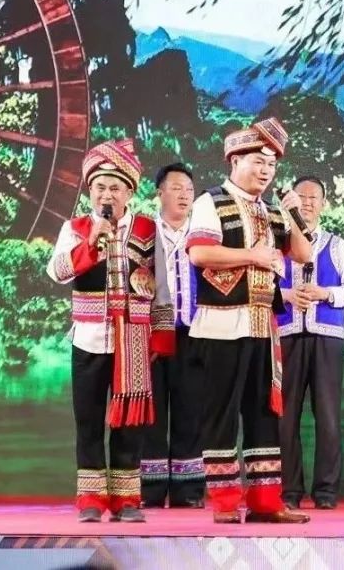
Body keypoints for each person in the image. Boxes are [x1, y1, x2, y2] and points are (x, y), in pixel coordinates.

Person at [186, 117, 313, 524]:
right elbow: (199, 253)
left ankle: (265, 501)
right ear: (234, 160)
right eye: (258, 161)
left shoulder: (272, 210)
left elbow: (304, 254)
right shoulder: (210, 202)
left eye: (272, 165)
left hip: (262, 325)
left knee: (263, 413)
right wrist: (253, 256)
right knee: (221, 413)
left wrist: (293, 213)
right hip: (221, 324)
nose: (265, 171)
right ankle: (225, 502)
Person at [46, 139, 175, 522]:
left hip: (133, 339)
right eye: (99, 187)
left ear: (129, 192)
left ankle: (126, 500)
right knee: (88, 420)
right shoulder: (75, 228)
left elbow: (162, 286)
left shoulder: (148, 229)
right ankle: (90, 499)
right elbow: (56, 272)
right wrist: (90, 244)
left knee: (129, 422)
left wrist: (161, 335)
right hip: (89, 338)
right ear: (90, 191)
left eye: (115, 188)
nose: (107, 195)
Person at [278, 176, 344, 511]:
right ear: (291, 202)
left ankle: (326, 491)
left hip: (327, 338)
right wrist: (287, 295)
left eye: (314, 197)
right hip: (286, 334)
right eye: (301, 196)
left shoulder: (337, 245)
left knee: (327, 415)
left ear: (324, 204)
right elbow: (263, 286)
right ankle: (289, 490)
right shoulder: (278, 242)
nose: (308, 203)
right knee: (285, 416)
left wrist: (325, 293)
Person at [140, 163, 206, 508]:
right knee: (151, 413)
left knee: (191, 411)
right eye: (176, 188)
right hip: (151, 334)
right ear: (159, 193)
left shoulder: (203, 234)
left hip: (194, 333)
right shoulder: (143, 234)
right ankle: (149, 492)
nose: (184, 195)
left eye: (189, 190)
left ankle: (188, 492)